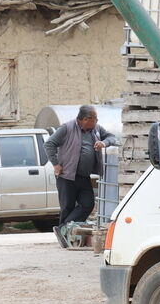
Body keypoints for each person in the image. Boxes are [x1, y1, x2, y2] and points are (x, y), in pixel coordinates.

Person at [44, 105, 117, 245]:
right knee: (67, 207)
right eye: (95, 118)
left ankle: (63, 228)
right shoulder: (67, 128)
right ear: (85, 119)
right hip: (66, 176)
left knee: (88, 204)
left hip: (83, 177)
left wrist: (104, 142)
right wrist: (56, 164)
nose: (97, 121)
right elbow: (49, 144)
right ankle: (66, 237)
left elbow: (111, 137)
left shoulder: (96, 129)